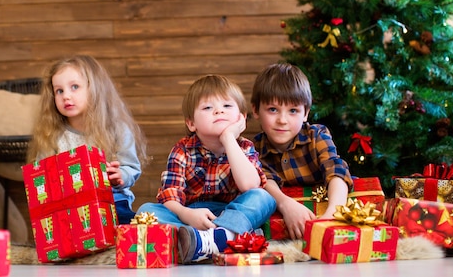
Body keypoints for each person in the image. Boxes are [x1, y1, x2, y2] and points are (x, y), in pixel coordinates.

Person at [137, 74, 276, 264]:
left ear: (241, 118)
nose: (219, 112)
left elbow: (250, 185)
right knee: (146, 211)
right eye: (208, 108)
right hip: (189, 216)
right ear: (191, 123)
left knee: (264, 198)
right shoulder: (182, 150)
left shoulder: (244, 147)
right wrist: (188, 215)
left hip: (231, 213)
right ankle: (214, 239)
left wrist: (228, 138)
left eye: (227, 106)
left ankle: (215, 237)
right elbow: (170, 196)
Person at [26, 55, 147, 225]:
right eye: (59, 91)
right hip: (69, 206)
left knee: (126, 225)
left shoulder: (116, 128)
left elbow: (131, 167)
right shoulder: (51, 135)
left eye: (74, 87)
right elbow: (42, 175)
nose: (66, 96)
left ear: (94, 89)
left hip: (112, 200)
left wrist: (120, 176)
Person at [250, 63, 353, 240]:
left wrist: (333, 214)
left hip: (329, 203)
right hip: (288, 209)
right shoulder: (255, 148)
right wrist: (285, 204)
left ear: (305, 113)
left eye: (293, 111)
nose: (282, 120)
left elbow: (336, 170)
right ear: (256, 110)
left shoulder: (316, 136)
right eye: (273, 109)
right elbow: (264, 181)